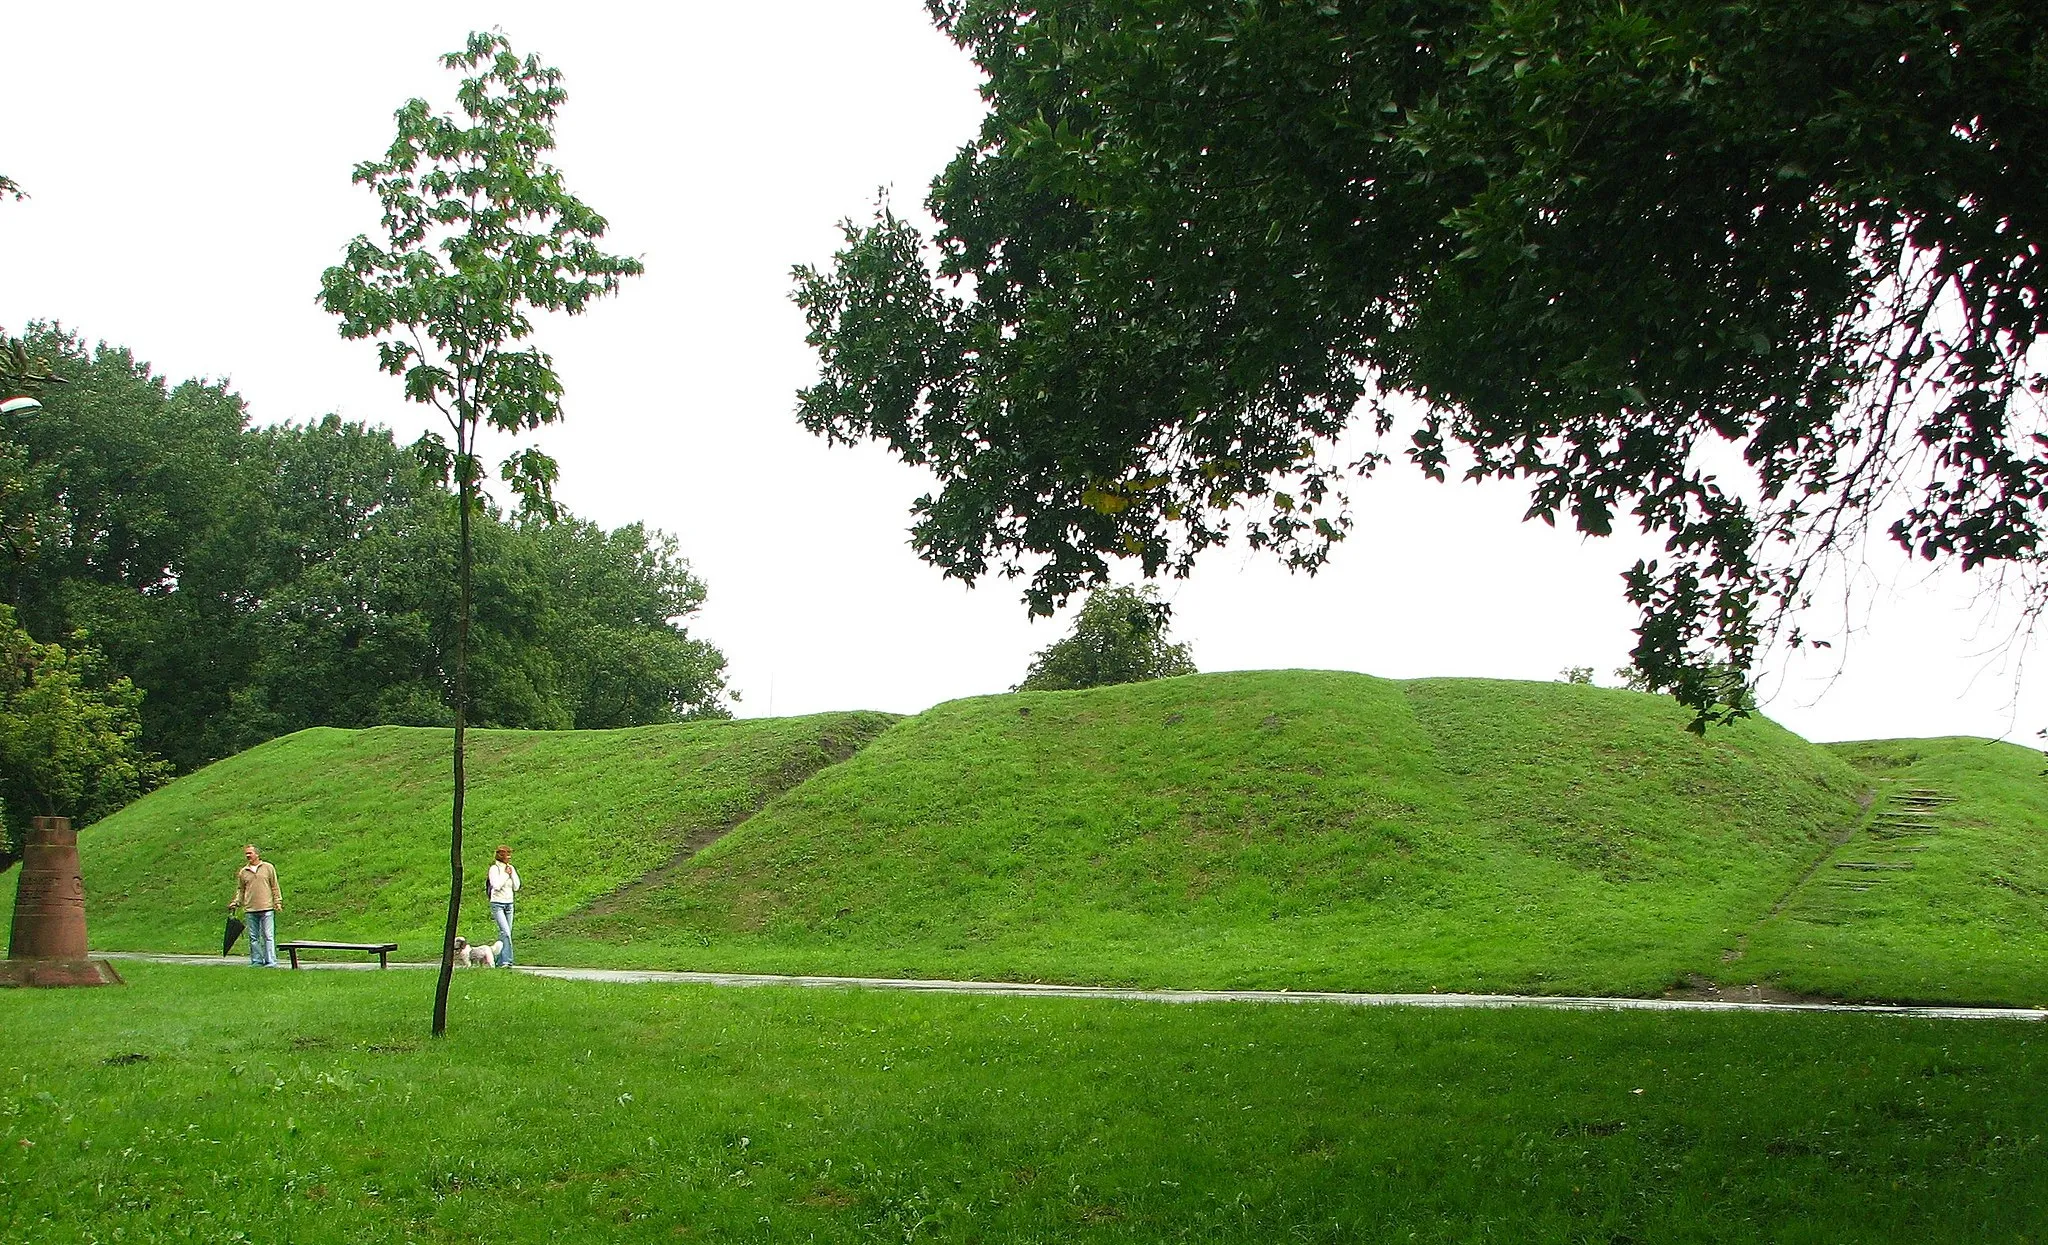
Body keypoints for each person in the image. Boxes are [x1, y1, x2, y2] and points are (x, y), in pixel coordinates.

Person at [228, 844, 282, 968]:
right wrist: (236, 902)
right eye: (246, 854)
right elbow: (241, 890)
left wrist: (277, 901)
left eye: (250, 853)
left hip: (266, 907)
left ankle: (271, 961)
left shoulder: (268, 868)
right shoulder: (244, 872)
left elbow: (274, 886)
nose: (248, 856)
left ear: (257, 854)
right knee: (253, 937)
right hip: (250, 908)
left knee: (268, 936)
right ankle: (257, 960)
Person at [487, 844, 521, 967]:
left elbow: (516, 887)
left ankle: (498, 960)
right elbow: (496, 885)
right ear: (502, 856)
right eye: (507, 855)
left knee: (506, 934)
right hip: (497, 903)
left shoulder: (511, 868)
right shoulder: (494, 869)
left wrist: (511, 874)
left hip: (509, 904)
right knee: (505, 932)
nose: (509, 857)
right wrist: (506, 875)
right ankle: (507, 961)